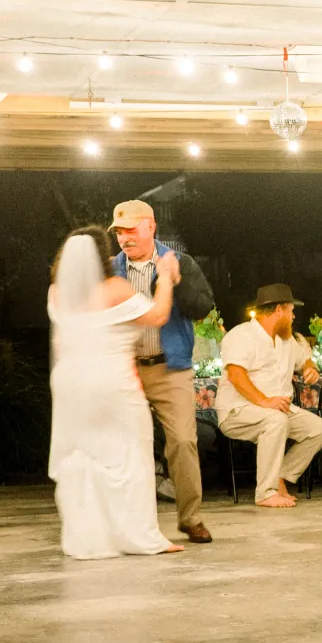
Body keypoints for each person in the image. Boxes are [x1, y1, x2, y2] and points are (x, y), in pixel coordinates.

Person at [48, 227, 182, 559]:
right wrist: (165, 277)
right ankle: (139, 536)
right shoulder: (115, 288)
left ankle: (91, 535)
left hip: (69, 383)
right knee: (132, 453)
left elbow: (60, 342)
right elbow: (158, 315)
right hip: (111, 382)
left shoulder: (56, 293)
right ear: (102, 256)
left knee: (85, 455)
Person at [109, 200, 213, 544]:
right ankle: (132, 524)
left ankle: (190, 518)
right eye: (119, 232)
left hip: (170, 368)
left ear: (151, 227)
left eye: (131, 230)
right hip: (127, 371)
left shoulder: (180, 261)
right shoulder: (111, 269)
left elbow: (203, 307)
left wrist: (177, 281)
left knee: (183, 441)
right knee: (127, 446)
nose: (124, 238)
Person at [217, 284, 322, 508]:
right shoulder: (241, 335)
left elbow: (304, 359)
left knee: (319, 429)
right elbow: (236, 375)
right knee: (276, 420)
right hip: (238, 410)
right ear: (279, 310)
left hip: (277, 409)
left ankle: (280, 476)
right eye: (291, 311)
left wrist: (310, 368)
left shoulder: (286, 339)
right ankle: (265, 493)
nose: (293, 316)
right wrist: (264, 401)